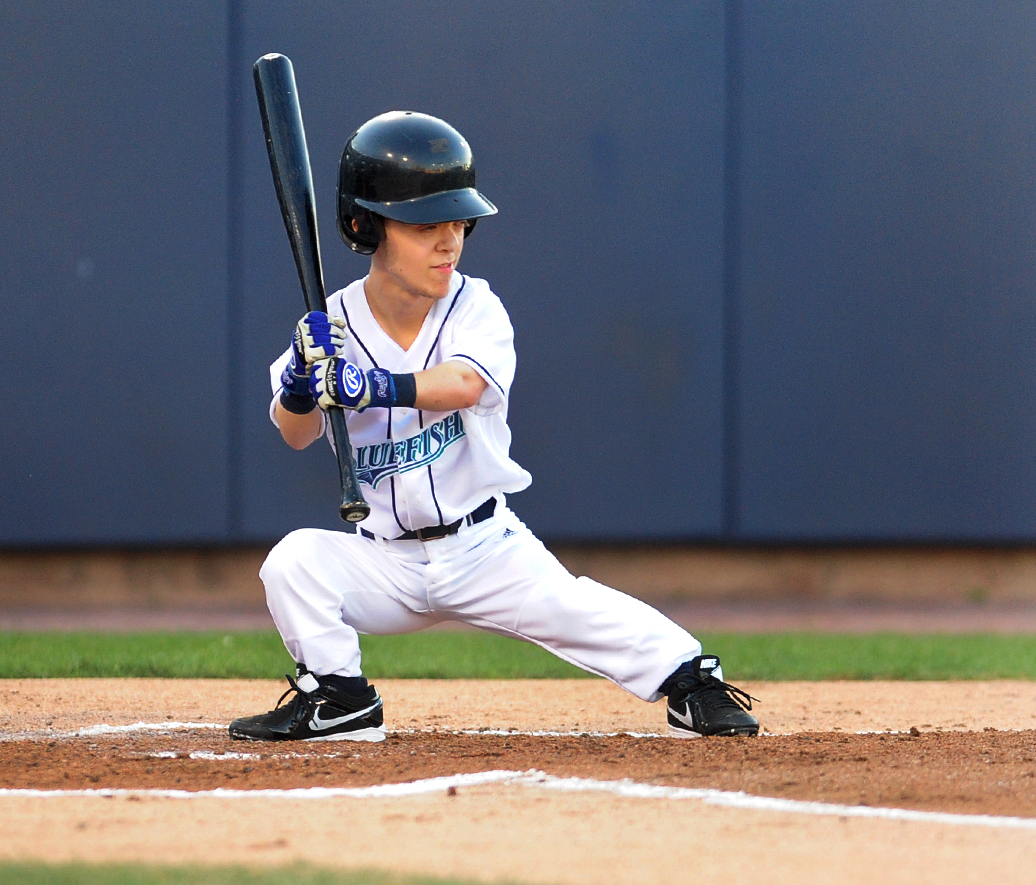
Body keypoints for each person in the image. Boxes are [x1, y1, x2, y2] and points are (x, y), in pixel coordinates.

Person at [228, 112, 760, 745]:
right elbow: (293, 433)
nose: (449, 241)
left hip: (481, 547)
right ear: (364, 225)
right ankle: (338, 696)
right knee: (294, 562)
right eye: (427, 225)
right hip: (384, 558)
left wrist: (371, 386)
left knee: (573, 607)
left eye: (459, 222)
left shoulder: (474, 305)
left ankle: (690, 679)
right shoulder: (330, 324)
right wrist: (299, 389)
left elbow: (464, 384)